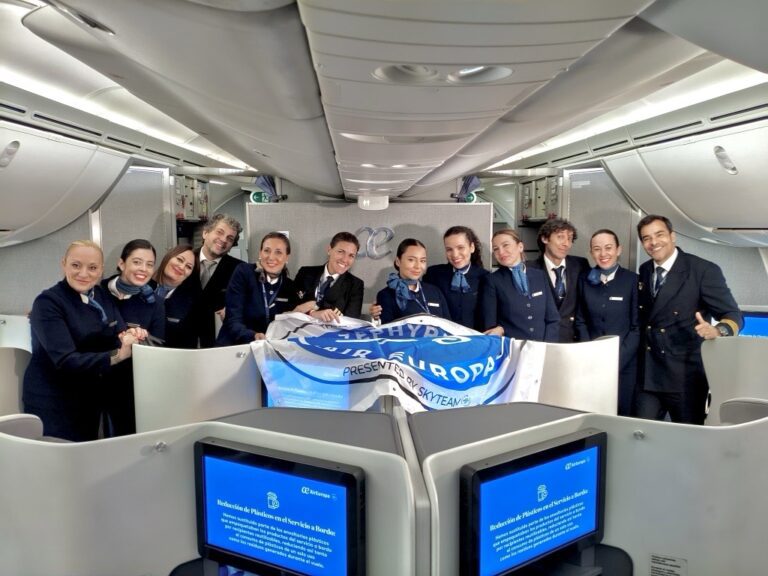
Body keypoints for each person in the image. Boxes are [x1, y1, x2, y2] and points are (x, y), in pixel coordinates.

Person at [22, 241, 139, 442]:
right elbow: (66, 360)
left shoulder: (101, 295)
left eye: (92, 268)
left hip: (87, 396)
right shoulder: (48, 303)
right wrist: (117, 356)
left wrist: (131, 336)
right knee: (59, 457)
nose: (83, 274)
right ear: (64, 264)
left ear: (101, 270)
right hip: (54, 400)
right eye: (76, 265)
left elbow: (118, 331)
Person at [636, 214, 742, 425]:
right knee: (640, 434)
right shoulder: (645, 270)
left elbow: (733, 315)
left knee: (688, 437)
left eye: (659, 235)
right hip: (649, 373)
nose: (653, 242)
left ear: (672, 236)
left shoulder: (703, 270)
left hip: (685, 376)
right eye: (646, 238)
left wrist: (718, 331)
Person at [102, 239, 166, 436]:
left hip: (129, 386)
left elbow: (159, 345)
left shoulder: (154, 302)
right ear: (122, 263)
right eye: (137, 262)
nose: (143, 269)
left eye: (149, 264)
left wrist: (141, 338)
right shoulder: (99, 292)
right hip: (94, 376)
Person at [575, 229, 639, 416]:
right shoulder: (584, 280)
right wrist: (591, 353)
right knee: (595, 414)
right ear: (591, 253)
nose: (603, 254)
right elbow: (580, 321)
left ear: (619, 250)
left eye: (608, 248)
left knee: (623, 414)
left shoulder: (632, 280)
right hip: (592, 364)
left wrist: (616, 360)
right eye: (597, 249)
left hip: (624, 365)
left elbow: (636, 327)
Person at [217, 232, 298, 345]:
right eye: (267, 251)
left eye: (278, 252)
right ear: (260, 253)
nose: (271, 257)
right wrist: (252, 335)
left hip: (269, 348)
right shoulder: (244, 272)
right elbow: (233, 318)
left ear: (287, 257)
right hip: (235, 345)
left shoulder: (289, 286)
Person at [480, 229, 559, 342]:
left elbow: (553, 318)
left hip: (542, 346)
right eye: (496, 249)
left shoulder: (539, 275)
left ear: (520, 247)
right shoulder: (492, 280)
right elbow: (491, 326)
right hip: (512, 347)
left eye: (505, 245)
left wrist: (546, 346)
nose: (501, 252)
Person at [528, 218, 590, 342]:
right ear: (545, 239)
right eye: (560, 237)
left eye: (570, 238)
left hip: (573, 340)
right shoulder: (529, 269)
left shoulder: (580, 265)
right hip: (542, 340)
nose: (566, 243)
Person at [423, 225, 489, 330]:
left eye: (460, 248)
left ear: (472, 247)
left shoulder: (486, 277)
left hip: (475, 337)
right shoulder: (433, 274)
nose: (455, 254)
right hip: (442, 336)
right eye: (449, 249)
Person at [375, 238, 450, 324]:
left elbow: (449, 325)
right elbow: (387, 330)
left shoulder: (435, 292)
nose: (418, 266)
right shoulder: (386, 295)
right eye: (411, 260)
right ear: (398, 261)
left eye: (422, 261)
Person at [293, 231, 364, 321]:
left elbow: (351, 321)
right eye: (341, 252)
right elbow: (292, 305)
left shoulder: (355, 285)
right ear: (329, 250)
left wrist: (312, 308)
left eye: (351, 256)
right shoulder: (305, 273)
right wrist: (312, 313)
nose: (345, 259)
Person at [197, 213, 243, 347]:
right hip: (181, 341)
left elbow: (250, 304)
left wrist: (234, 310)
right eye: (219, 232)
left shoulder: (240, 270)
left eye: (230, 238)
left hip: (219, 342)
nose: (223, 240)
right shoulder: (183, 260)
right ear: (205, 233)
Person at [151, 244, 201, 349]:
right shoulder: (140, 286)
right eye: (179, 259)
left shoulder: (192, 302)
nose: (182, 267)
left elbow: (189, 346)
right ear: (168, 257)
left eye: (188, 267)